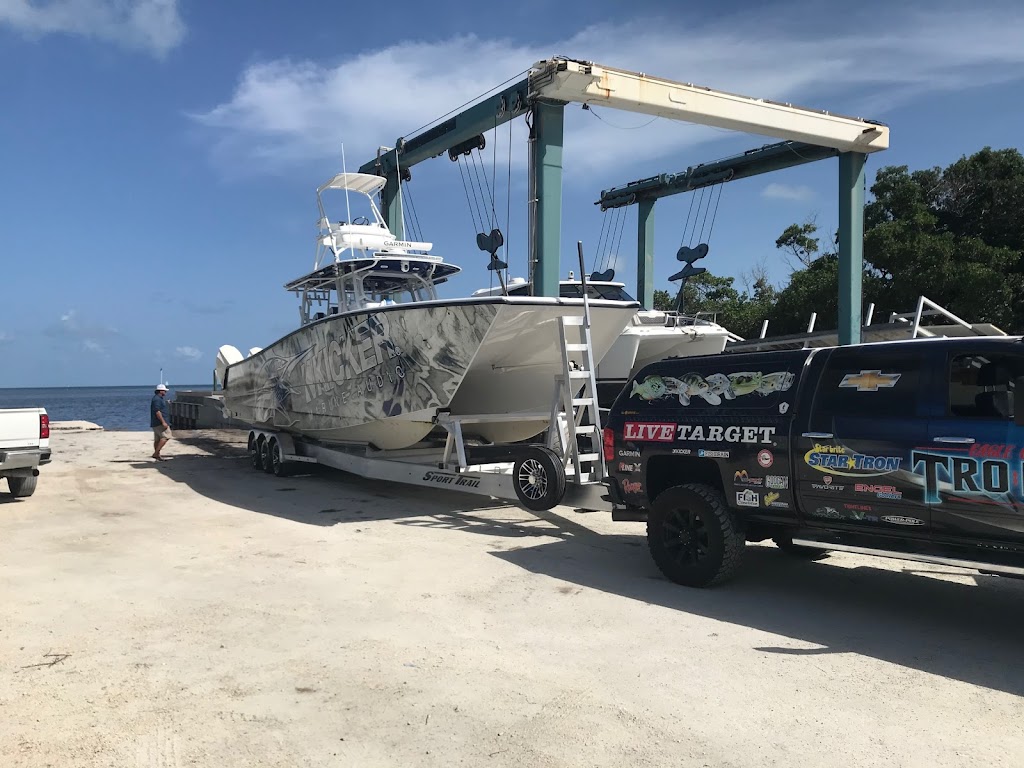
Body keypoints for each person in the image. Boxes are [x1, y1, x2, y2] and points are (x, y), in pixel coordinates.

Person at [151, 384, 172, 461]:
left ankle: (157, 456)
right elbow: (157, 411)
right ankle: (156, 453)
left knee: (157, 439)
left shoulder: (158, 399)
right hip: (159, 423)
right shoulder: (157, 399)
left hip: (155, 422)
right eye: (164, 391)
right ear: (160, 391)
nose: (165, 392)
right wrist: (163, 422)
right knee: (166, 436)